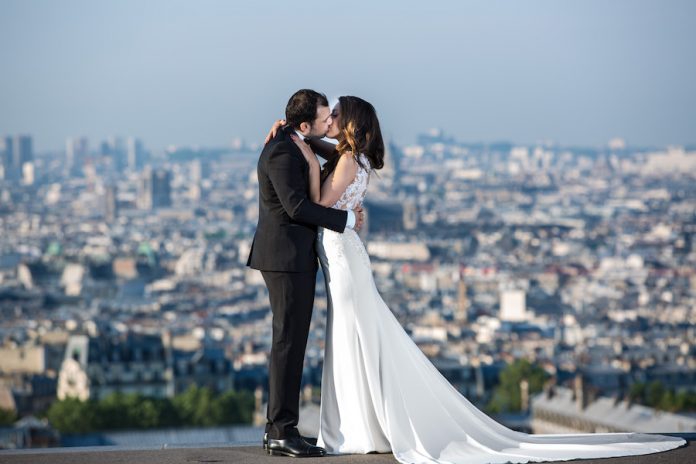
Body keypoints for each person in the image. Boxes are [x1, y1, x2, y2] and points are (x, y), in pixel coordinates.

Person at [263, 96, 686, 463]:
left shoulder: (344, 160)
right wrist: (302, 142)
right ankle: (360, 426)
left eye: (335, 114)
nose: (329, 118)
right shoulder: (348, 156)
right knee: (355, 338)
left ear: (350, 124)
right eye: (326, 114)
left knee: (351, 338)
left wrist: (304, 153)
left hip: (343, 259)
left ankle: (356, 428)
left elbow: (316, 201)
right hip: (342, 257)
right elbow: (328, 156)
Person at [247, 89, 364, 458]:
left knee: (289, 342)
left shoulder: (293, 141)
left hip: (289, 256)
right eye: (324, 119)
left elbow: (340, 156)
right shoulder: (284, 150)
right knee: (288, 343)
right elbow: (297, 207)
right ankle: (282, 431)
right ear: (305, 124)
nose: (329, 123)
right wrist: (346, 220)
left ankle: (278, 429)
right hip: (285, 258)